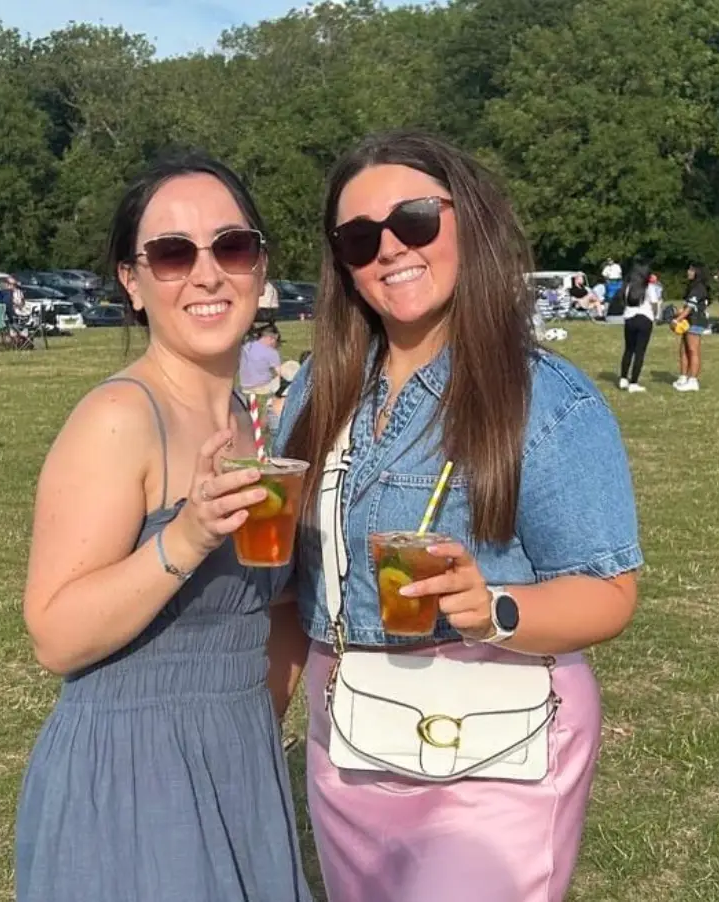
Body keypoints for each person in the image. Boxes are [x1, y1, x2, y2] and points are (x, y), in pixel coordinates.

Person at [272, 129, 642, 902]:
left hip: (490, 743)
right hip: (349, 738)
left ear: (467, 220)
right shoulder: (317, 389)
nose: (389, 248)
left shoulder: (545, 398)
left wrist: (491, 607)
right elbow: (289, 591)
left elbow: (606, 592)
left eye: (414, 218)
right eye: (358, 236)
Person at [14, 153, 311, 902]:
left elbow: (262, 615)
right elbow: (55, 633)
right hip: (135, 781)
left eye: (231, 246)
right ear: (132, 281)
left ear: (259, 266)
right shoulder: (119, 417)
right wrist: (185, 538)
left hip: (239, 762)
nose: (207, 274)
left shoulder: (246, 417)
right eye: (173, 254)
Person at [619, 264, 657, 392]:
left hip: (629, 318)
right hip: (645, 318)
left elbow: (623, 301)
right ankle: (634, 383)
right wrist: (656, 316)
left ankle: (623, 378)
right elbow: (654, 303)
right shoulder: (648, 287)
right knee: (640, 352)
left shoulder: (627, 286)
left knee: (628, 349)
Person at [673, 264, 710, 392]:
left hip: (695, 322)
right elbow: (686, 307)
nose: (688, 272)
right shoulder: (692, 287)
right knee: (683, 350)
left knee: (693, 350)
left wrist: (676, 320)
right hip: (688, 321)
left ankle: (693, 380)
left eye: (691, 270)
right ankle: (683, 377)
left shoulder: (699, 288)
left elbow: (689, 309)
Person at [239, 322, 282, 395]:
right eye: (275, 340)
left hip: (245, 387)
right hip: (263, 388)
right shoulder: (271, 352)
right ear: (271, 338)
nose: (275, 343)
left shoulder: (246, 346)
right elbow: (280, 373)